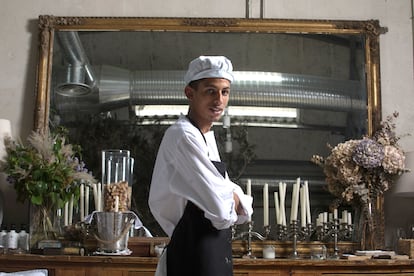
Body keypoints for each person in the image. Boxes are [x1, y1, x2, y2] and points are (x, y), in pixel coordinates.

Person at [148, 55, 253, 276]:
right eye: (210, 91)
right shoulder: (183, 136)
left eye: (225, 92)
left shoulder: (203, 136)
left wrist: (231, 196)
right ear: (189, 93)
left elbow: (229, 198)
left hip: (212, 255)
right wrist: (232, 196)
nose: (219, 100)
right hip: (194, 258)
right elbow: (220, 209)